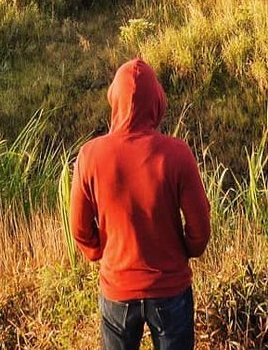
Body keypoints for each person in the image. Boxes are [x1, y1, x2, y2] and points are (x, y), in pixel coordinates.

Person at [70, 58, 211, 350]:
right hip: (171, 288)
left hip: (117, 288)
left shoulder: (90, 156)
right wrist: (187, 250)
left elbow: (79, 229)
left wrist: (101, 253)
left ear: (114, 98)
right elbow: (200, 226)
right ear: (157, 101)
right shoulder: (178, 154)